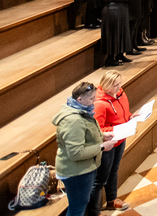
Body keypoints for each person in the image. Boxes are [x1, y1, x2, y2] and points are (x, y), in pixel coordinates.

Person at [53, 82, 117, 216]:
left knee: (81, 204)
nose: (94, 101)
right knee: (77, 208)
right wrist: (101, 147)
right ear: (80, 99)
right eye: (91, 98)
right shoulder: (73, 120)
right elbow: (76, 153)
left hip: (84, 168)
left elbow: (85, 136)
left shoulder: (82, 111)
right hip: (76, 172)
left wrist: (103, 136)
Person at [91, 71, 131, 212]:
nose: (119, 87)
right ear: (106, 86)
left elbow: (123, 113)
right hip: (107, 144)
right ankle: (94, 211)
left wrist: (130, 117)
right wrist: (116, 130)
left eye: (119, 83)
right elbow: (98, 129)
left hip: (120, 139)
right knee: (100, 179)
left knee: (113, 171)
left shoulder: (120, 94)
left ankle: (111, 200)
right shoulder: (99, 104)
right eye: (115, 85)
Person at [101, 0, 133, 67]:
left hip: (119, 10)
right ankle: (110, 59)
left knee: (121, 32)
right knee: (113, 34)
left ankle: (120, 54)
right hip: (113, 11)